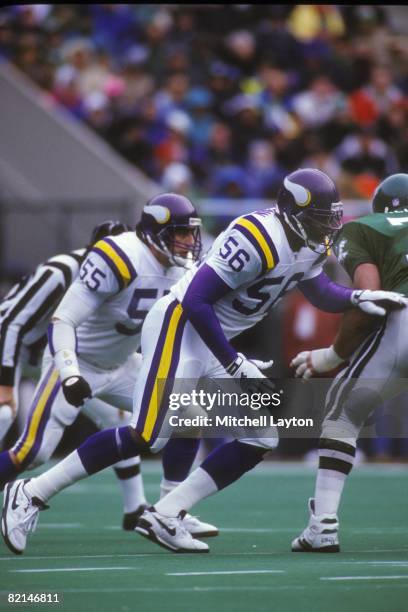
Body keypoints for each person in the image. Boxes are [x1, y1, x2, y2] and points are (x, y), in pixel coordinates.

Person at [2, 170, 405, 555]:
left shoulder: (310, 243)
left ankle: (165, 512)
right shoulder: (256, 236)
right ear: (293, 213)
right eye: (319, 218)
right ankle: (31, 492)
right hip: (179, 326)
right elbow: (196, 299)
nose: (326, 227)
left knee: (260, 436)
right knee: (148, 433)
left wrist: (355, 299)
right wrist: (232, 364)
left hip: (211, 337)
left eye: (329, 218)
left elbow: (317, 288)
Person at [1, 198, 217, 552]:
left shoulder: (183, 268)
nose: (188, 242)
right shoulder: (121, 256)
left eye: (190, 233)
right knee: (33, 452)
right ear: (154, 232)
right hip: (78, 361)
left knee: (190, 414)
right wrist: (69, 372)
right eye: (180, 233)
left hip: (122, 364)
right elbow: (63, 321)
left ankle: (168, 510)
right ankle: (23, 496)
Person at [290, 173, 408, 552]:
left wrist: (331, 356)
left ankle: (322, 524)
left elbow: (370, 299)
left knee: (342, 412)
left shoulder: (365, 229)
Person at [0, 220, 126, 447]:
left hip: (46, 353)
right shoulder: (61, 270)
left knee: (117, 420)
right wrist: (6, 384)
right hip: (11, 346)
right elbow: (11, 324)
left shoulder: (124, 279)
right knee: (5, 414)